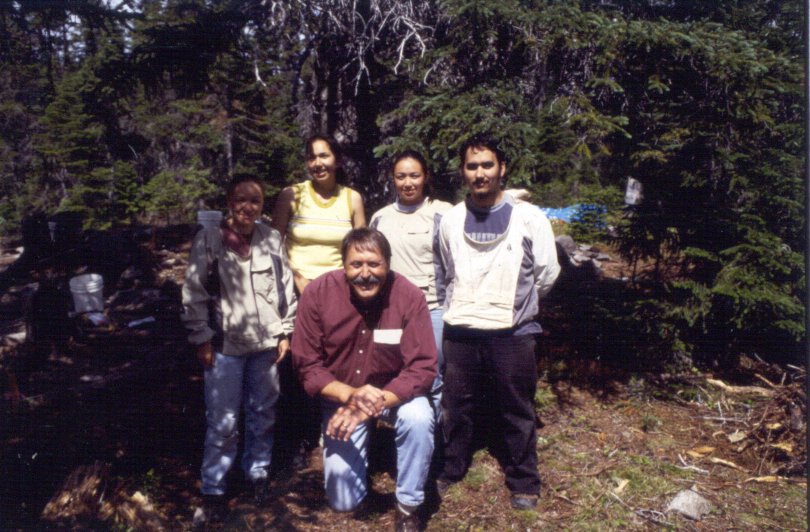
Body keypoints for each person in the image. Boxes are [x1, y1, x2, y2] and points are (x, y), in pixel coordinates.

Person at [436, 134, 560, 510]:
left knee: (517, 407)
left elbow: (547, 272)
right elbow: (445, 273)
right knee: (456, 405)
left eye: (487, 165)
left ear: (502, 168)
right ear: (463, 172)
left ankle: (524, 479)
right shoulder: (451, 220)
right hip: (461, 331)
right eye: (472, 166)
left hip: (513, 332)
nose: (480, 173)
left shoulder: (529, 218)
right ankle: (452, 466)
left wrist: (520, 305)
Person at [292, 228, 437, 532]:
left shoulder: (409, 295)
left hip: (393, 394)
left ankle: (409, 505)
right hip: (341, 396)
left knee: (420, 417)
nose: (365, 273)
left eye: (374, 264)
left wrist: (375, 401)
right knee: (344, 500)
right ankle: (370, 445)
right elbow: (307, 365)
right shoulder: (318, 294)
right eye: (356, 264)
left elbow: (422, 367)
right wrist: (350, 397)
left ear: (388, 263)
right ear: (343, 265)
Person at [182, 175, 296, 525]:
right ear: (229, 202)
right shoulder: (209, 241)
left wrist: (284, 331)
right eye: (240, 200)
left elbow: (284, 287)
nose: (248, 207)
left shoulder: (271, 238)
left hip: (265, 344)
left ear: (263, 206)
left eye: (255, 201)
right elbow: (193, 293)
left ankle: (257, 472)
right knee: (224, 421)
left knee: (263, 411)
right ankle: (214, 488)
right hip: (224, 347)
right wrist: (201, 338)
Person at [370, 150, 452, 405]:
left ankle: (436, 437)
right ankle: (402, 426)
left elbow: (454, 267)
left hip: (432, 309)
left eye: (414, 175)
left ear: (425, 177)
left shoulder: (443, 214)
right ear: (392, 179)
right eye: (401, 176)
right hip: (390, 310)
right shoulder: (380, 218)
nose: (408, 183)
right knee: (391, 369)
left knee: (433, 372)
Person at [271, 134, 366, 293]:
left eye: (324, 156)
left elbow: (361, 249)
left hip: (340, 286)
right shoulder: (291, 195)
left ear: (338, 160)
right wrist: (297, 278)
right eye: (311, 158)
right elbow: (273, 244)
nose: (318, 163)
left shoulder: (352, 198)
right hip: (295, 286)